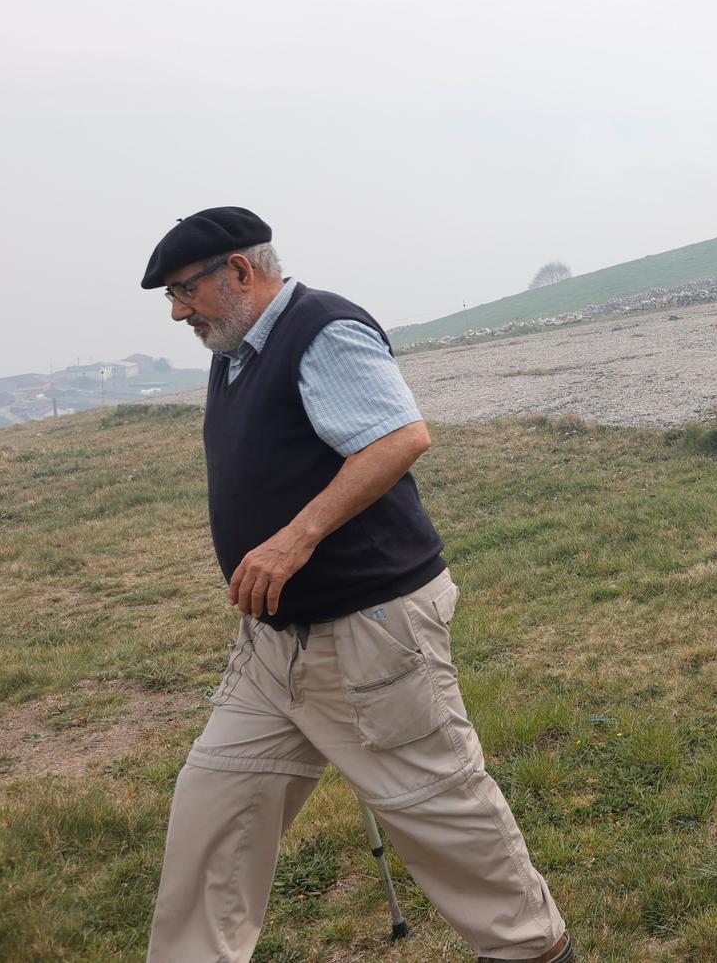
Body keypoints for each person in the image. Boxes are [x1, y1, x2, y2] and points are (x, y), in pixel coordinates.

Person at [141, 207, 572, 963]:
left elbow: (400, 436)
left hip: (368, 629)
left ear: (240, 271)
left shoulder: (323, 327)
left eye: (184, 290)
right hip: (272, 648)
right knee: (212, 814)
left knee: (440, 811)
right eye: (170, 297)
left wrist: (295, 537)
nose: (178, 311)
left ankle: (533, 953)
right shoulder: (235, 347)